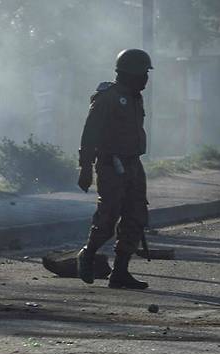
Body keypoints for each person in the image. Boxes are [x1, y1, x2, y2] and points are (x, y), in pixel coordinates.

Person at [76, 49, 153, 290]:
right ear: (129, 73)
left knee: (136, 216)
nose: (146, 79)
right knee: (107, 217)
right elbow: (90, 134)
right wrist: (85, 167)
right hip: (111, 164)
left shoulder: (135, 97)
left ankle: (120, 272)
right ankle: (88, 254)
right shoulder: (107, 97)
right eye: (142, 74)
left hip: (133, 163)